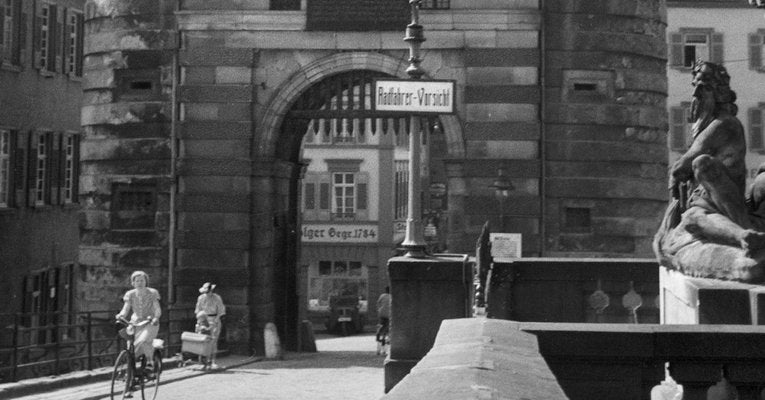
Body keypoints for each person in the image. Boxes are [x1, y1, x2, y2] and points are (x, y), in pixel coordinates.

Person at [654, 61, 765, 282]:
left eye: (703, 87)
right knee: (695, 217)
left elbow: (687, 162)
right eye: (695, 86)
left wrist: (676, 178)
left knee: (702, 163)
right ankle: (744, 236)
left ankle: (743, 228)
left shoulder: (725, 124)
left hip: (728, 203)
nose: (696, 93)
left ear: (719, 92)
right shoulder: (708, 124)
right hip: (706, 205)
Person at [116, 270, 161, 373]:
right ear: (133, 283)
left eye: (142, 281)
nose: (140, 283)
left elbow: (157, 308)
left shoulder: (152, 293)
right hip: (135, 322)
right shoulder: (130, 294)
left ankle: (150, 362)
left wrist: (156, 318)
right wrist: (121, 315)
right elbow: (126, 308)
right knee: (130, 346)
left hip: (150, 322)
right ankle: (131, 373)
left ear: (146, 282)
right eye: (137, 281)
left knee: (144, 340)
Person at [195, 282, 225, 368]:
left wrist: (215, 321)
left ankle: (213, 361)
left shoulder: (217, 298)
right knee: (202, 340)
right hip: (203, 319)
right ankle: (202, 362)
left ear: (211, 291)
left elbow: (221, 311)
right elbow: (198, 310)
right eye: (205, 292)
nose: (206, 294)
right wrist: (199, 321)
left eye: (208, 292)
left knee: (213, 341)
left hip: (214, 319)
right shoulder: (200, 298)